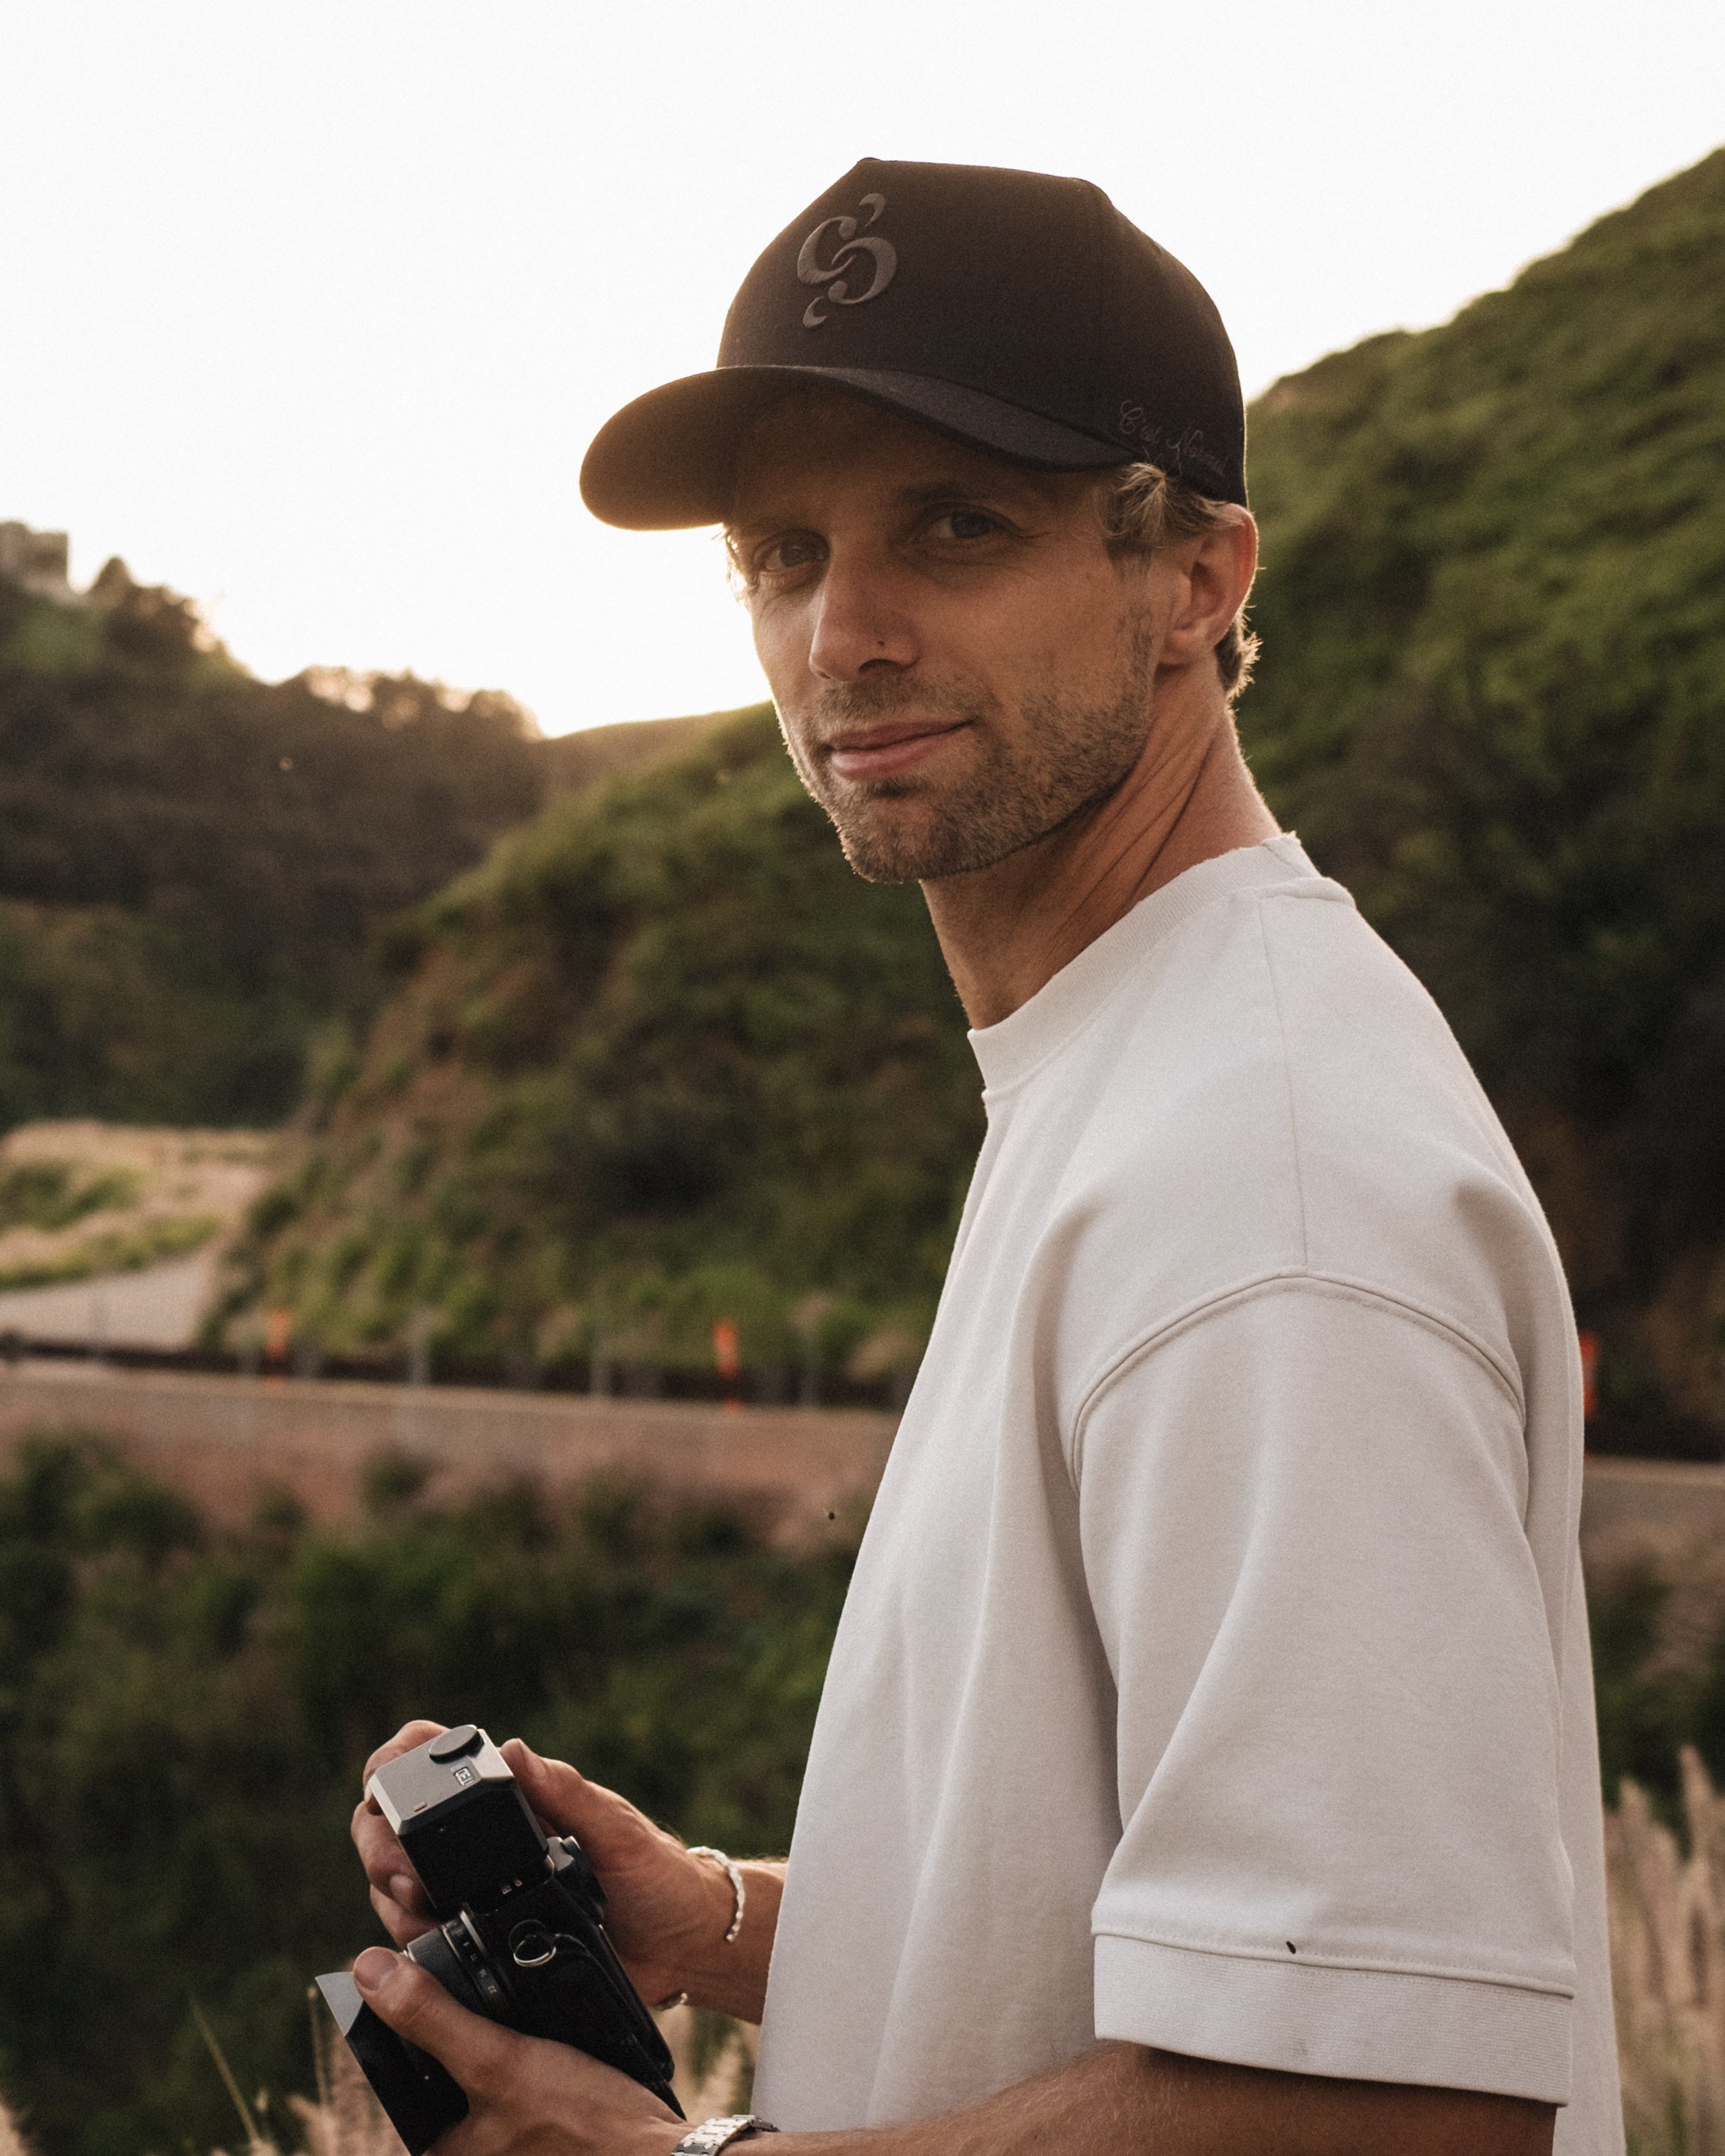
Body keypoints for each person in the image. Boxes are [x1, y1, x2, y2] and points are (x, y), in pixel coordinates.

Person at [350, 159, 1621, 2156]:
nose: (842, 633)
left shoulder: (1263, 1187)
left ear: (1197, 576)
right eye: (784, 548)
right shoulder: (1145, 1066)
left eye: (956, 526)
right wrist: (736, 1918)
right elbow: (1224, 1952)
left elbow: (1386, 2097)